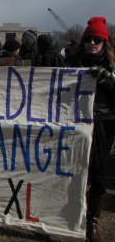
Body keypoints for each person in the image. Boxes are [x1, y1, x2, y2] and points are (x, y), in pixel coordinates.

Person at [66, 16, 115, 242]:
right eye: (89, 40)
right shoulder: (71, 65)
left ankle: (92, 225)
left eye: (97, 40)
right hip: (76, 124)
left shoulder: (111, 67)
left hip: (103, 125)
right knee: (72, 171)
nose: (92, 43)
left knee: (98, 174)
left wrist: (108, 81)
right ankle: (69, 218)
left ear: (104, 43)